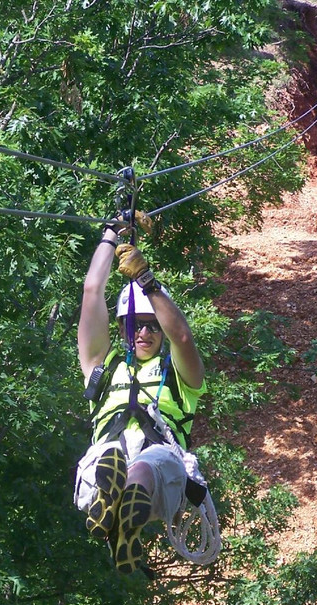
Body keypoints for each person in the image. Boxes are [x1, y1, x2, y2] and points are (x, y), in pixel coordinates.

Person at [74, 219, 206, 577]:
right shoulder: (102, 368)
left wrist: (147, 280)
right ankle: (113, 506)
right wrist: (110, 233)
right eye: (135, 325)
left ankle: (122, 508)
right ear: (122, 329)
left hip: (163, 471)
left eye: (152, 324)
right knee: (109, 456)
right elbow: (91, 291)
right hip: (103, 459)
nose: (144, 332)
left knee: (147, 462)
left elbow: (181, 336)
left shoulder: (180, 375)